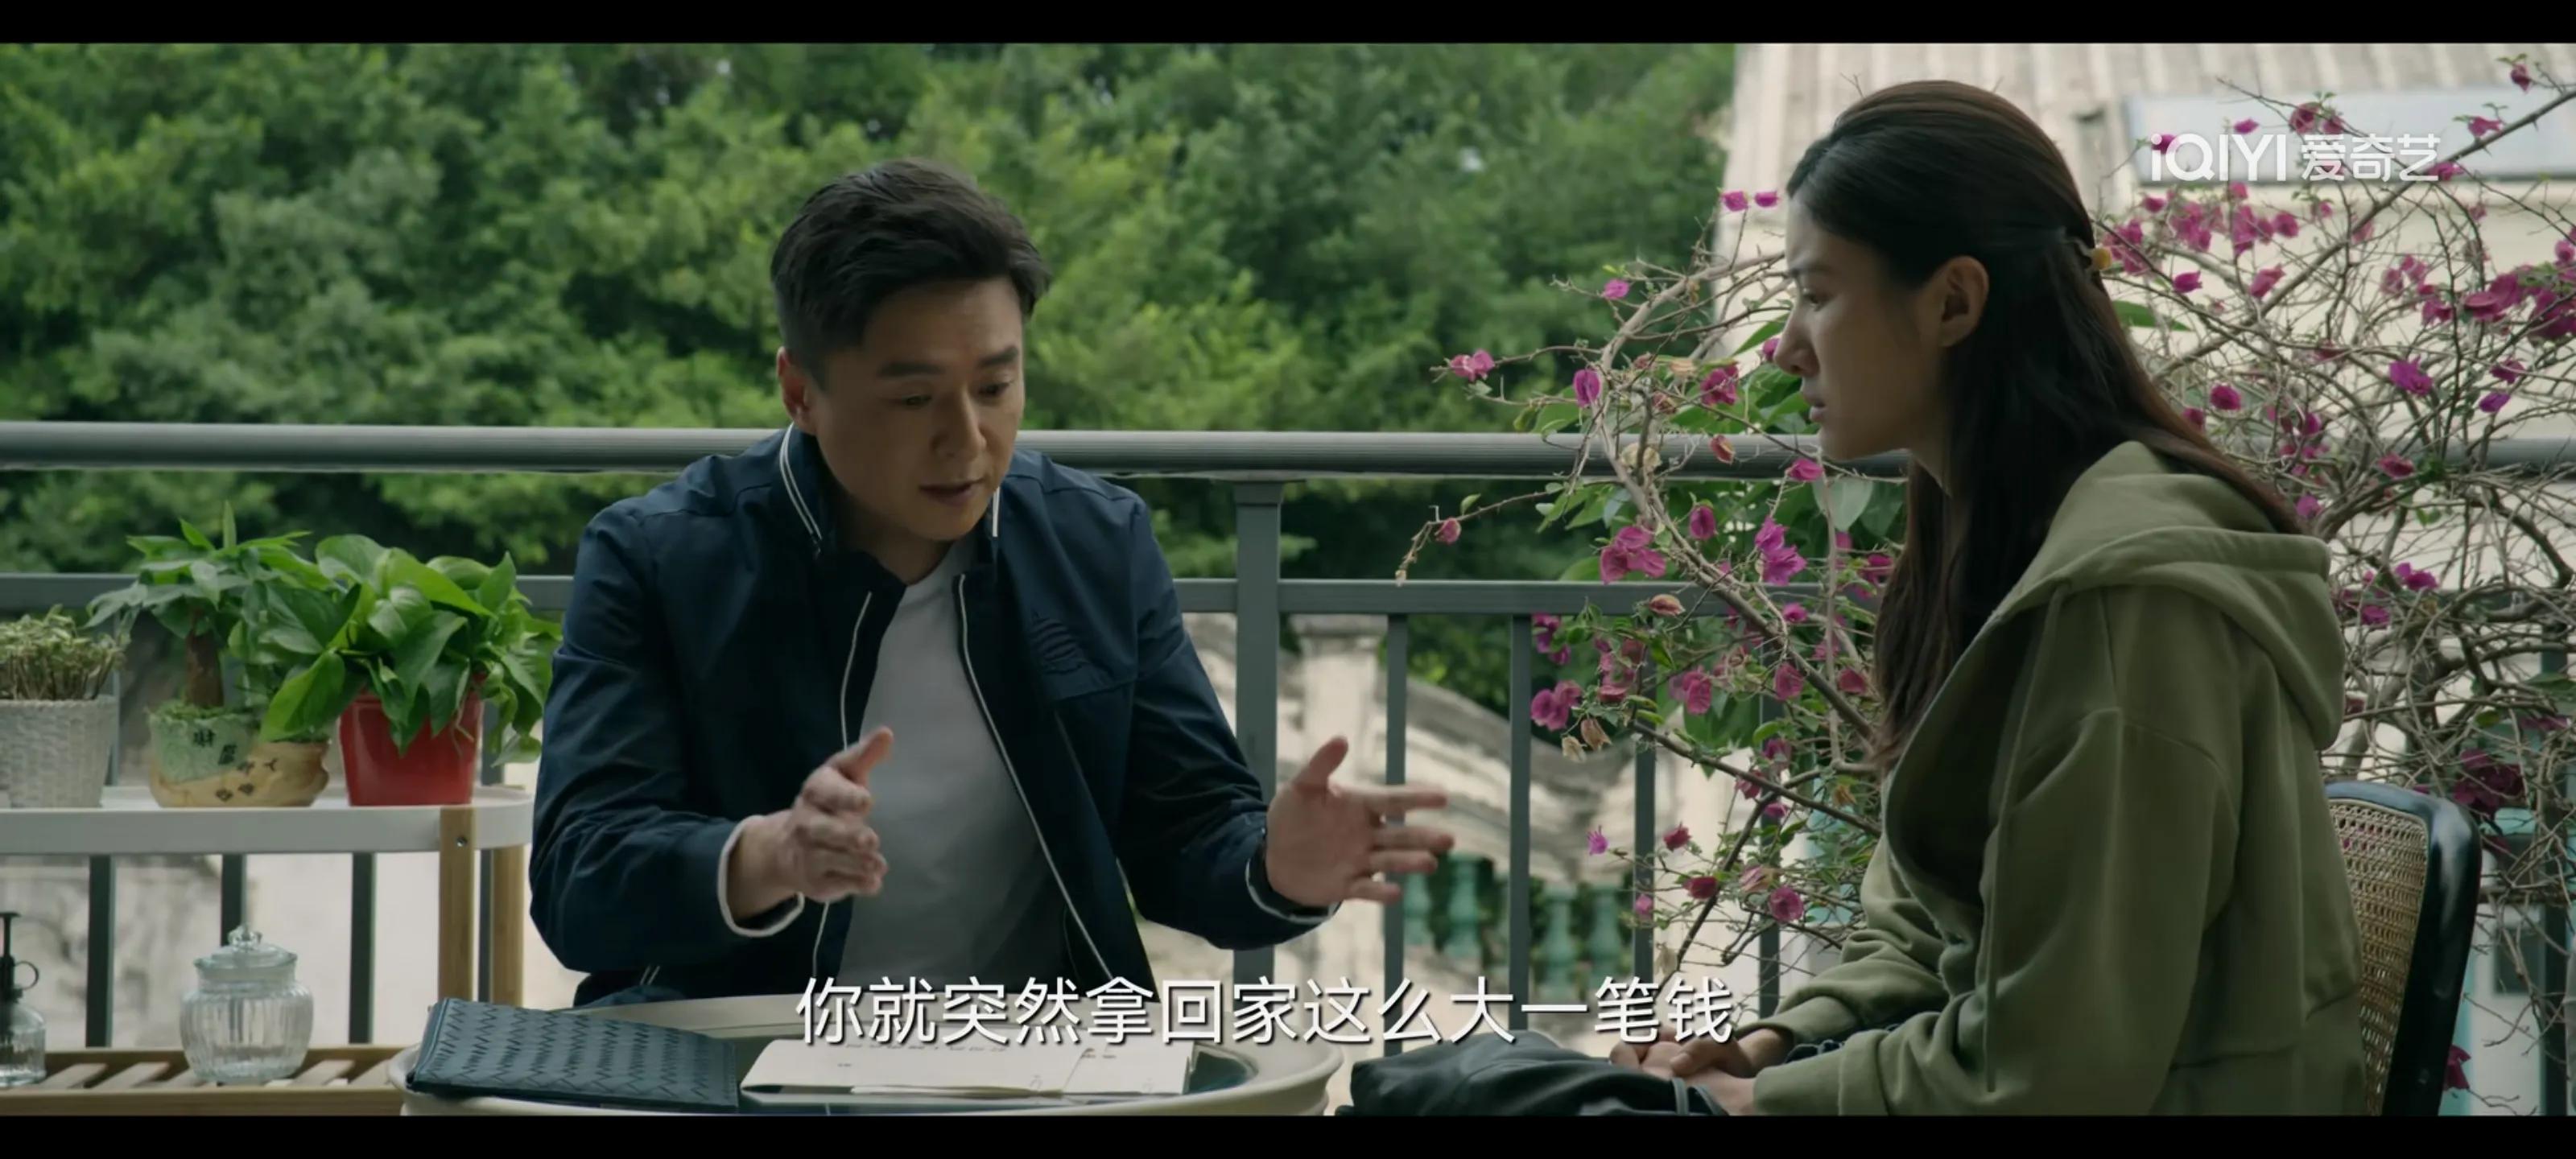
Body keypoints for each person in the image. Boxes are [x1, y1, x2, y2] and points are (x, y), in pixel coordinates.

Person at [1360, 80, 2369, 1116]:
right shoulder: (1997, 540)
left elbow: (2056, 1070)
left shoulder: (2124, 605)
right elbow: (1936, 925)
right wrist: (1767, 1046)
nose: (1785, 347)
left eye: (1817, 294)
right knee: (1451, 1086)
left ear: (1952, 302)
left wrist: (1755, 1104)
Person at [528, 159, 1455, 1009]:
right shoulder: (659, 559)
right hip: (740, 1058)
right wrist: (765, 857)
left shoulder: (1096, 543)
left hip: (1035, 1060)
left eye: (994, 387)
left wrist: (1277, 869)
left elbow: (1188, 836)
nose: (967, 442)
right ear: (799, 391)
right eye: (913, 398)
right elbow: (578, 883)